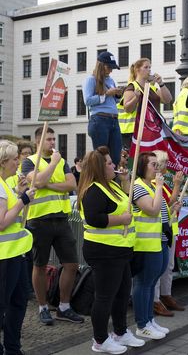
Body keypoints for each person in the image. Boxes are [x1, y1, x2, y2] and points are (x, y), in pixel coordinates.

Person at [77, 146, 145, 354]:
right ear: (99, 167)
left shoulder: (110, 186)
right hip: (104, 251)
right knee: (104, 296)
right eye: (108, 163)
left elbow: (124, 201)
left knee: (122, 293)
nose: (113, 165)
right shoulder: (94, 190)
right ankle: (100, 340)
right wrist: (120, 220)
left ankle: (120, 332)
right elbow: (94, 218)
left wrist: (125, 183)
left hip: (119, 250)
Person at [22, 127, 84, 325]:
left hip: (61, 218)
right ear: (37, 142)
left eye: (53, 139)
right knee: (39, 265)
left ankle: (64, 306)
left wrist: (47, 183)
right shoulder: (29, 161)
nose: (52, 143)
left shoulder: (62, 162)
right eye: (48, 139)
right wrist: (53, 165)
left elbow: (71, 185)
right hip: (39, 220)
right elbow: (37, 181)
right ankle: (42, 307)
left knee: (71, 264)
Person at [132, 152, 181, 340]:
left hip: (158, 240)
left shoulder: (150, 187)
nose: (157, 168)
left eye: (157, 164)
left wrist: (171, 209)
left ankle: (149, 319)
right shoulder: (139, 187)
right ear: (143, 166)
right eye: (153, 164)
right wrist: (160, 187)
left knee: (151, 283)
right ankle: (141, 324)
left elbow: (160, 213)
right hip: (145, 244)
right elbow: (151, 210)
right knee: (143, 283)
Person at [0, 140, 35, 355]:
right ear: (3, 162)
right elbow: (2, 222)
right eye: (14, 159)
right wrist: (22, 199)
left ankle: (13, 347)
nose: (18, 163)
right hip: (5, 256)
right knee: (4, 304)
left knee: (19, 300)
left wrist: (18, 193)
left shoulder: (5, 184)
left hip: (15, 253)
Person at [153, 150, 185, 316]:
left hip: (170, 228)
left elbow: (169, 205)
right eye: (164, 162)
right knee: (159, 268)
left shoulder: (163, 183)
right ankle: (156, 300)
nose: (167, 165)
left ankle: (166, 295)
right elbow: (166, 202)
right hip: (159, 231)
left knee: (168, 266)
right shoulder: (153, 183)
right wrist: (178, 185)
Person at [118, 58, 172, 149]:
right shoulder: (132, 87)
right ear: (137, 70)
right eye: (146, 67)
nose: (149, 70)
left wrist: (161, 83)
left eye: (150, 67)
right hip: (134, 131)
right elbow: (127, 108)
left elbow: (168, 99)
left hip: (151, 130)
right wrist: (136, 98)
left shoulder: (151, 88)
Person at [82, 51, 123, 166]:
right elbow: (88, 100)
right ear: (101, 65)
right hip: (99, 120)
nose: (111, 70)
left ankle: (112, 182)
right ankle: (100, 181)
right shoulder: (90, 80)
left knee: (115, 157)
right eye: (109, 67)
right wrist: (107, 94)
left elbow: (114, 101)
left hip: (113, 120)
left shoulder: (110, 80)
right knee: (101, 158)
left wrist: (117, 94)